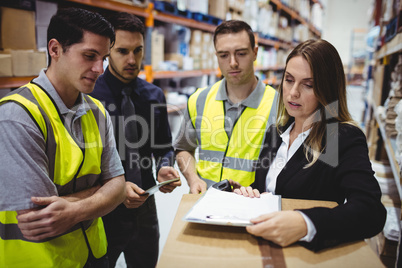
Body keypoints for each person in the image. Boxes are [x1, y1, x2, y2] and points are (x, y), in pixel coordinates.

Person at [0, 7, 127, 267]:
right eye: (89, 56)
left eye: (103, 58)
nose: (100, 69)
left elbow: (119, 185)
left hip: (94, 254)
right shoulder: (18, 115)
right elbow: (41, 217)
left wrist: (77, 206)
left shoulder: (97, 110)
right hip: (41, 260)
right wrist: (102, 192)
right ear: (55, 49)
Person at [234, 39, 386, 251]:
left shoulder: (340, 137)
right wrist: (252, 195)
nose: (293, 92)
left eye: (308, 85)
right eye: (289, 80)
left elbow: (370, 211)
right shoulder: (276, 132)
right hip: (263, 245)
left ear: (327, 90)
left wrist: (306, 223)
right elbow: (272, 188)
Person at [90, 12, 181, 268]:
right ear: (108, 51)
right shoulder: (89, 96)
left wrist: (164, 166)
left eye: (138, 51)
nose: (132, 60)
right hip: (103, 209)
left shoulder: (153, 95)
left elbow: (164, 145)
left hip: (144, 204)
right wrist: (116, 191)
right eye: (122, 51)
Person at [174, 20, 278, 194]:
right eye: (223, 55)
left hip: (254, 207)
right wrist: (194, 179)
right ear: (216, 56)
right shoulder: (199, 100)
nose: (233, 63)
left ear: (255, 53)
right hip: (205, 204)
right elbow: (184, 148)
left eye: (241, 53)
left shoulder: (278, 106)